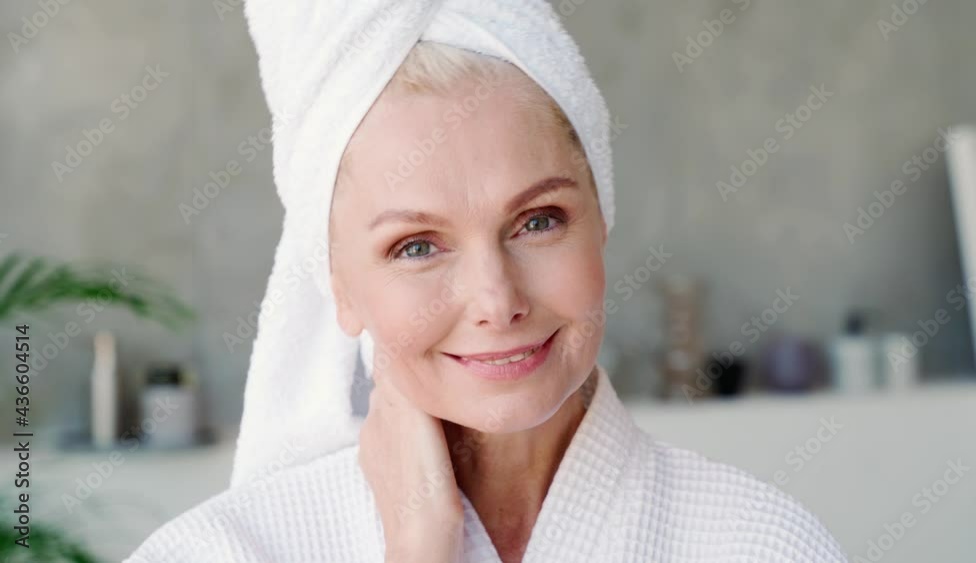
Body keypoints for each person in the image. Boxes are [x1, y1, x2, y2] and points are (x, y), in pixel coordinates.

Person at [126, 3, 848, 562]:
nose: (497, 300)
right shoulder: (221, 552)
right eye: (416, 245)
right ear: (338, 283)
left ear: (601, 218)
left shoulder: (759, 543)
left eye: (538, 221)